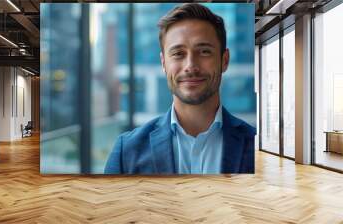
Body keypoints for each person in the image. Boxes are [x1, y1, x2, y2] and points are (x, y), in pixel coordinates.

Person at [105, 3, 255, 174]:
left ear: (224, 60)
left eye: (204, 51)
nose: (190, 66)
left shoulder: (256, 145)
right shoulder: (127, 152)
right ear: (164, 63)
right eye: (178, 53)